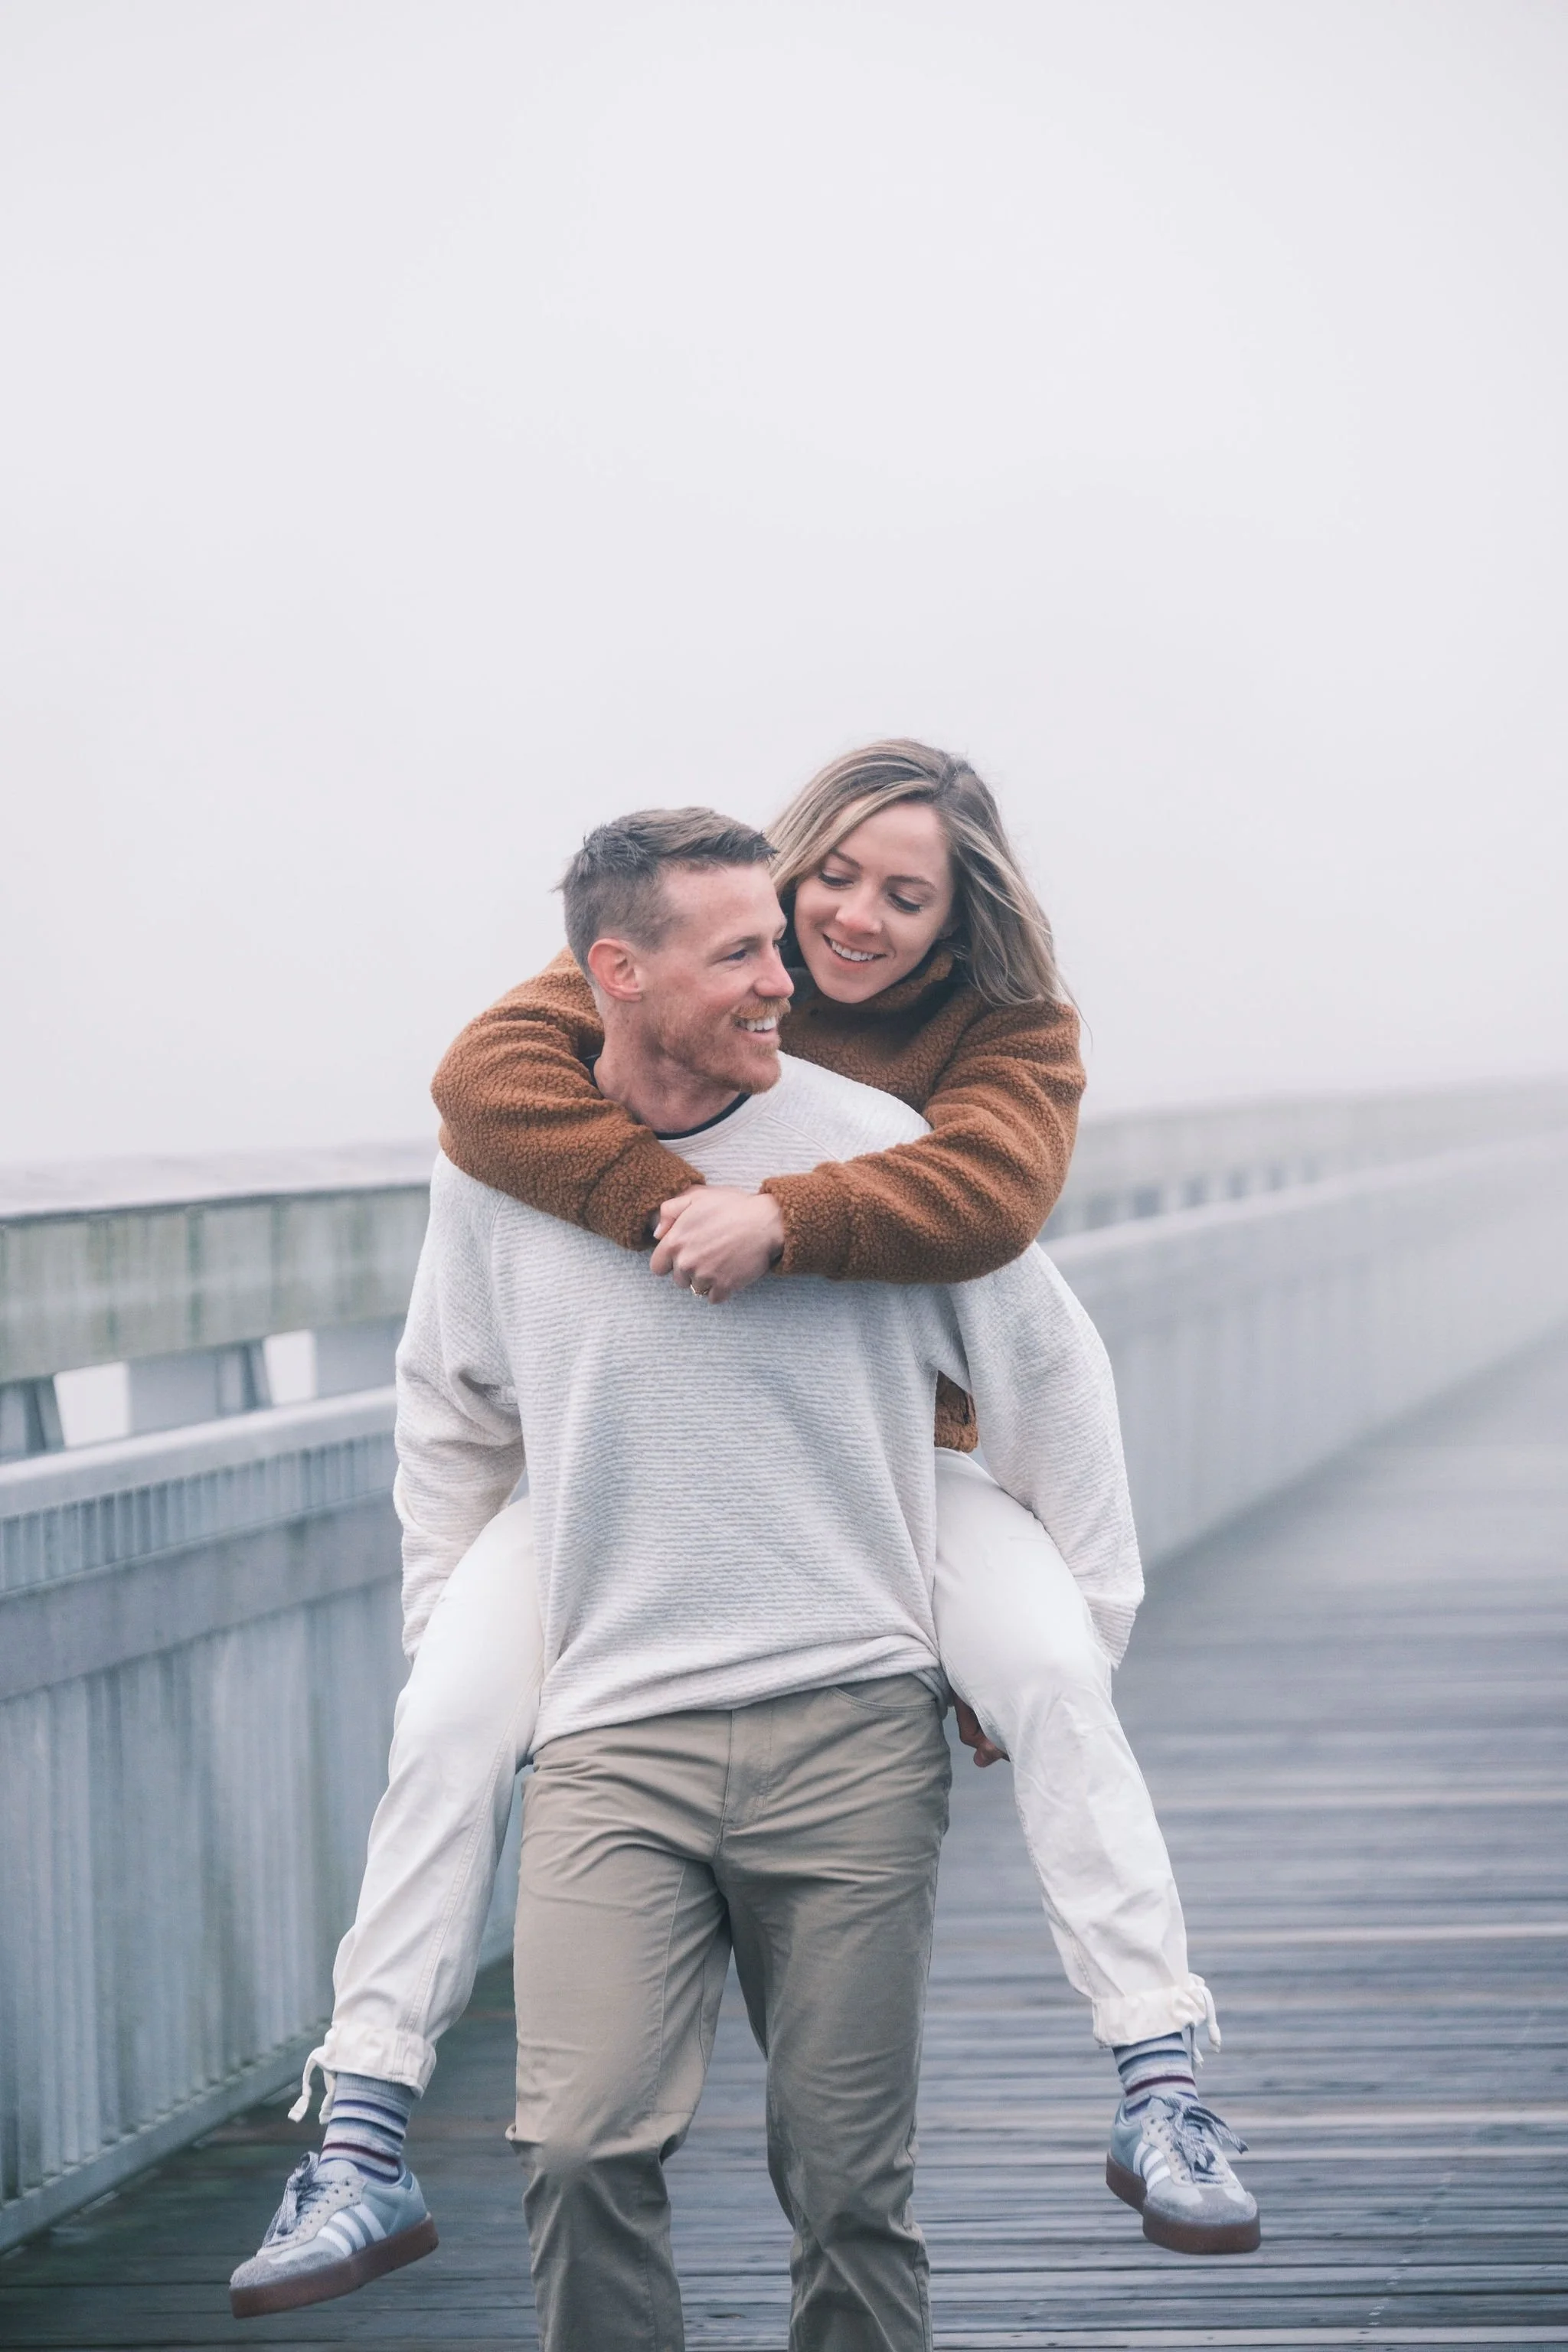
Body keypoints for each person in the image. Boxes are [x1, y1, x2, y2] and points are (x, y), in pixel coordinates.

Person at [230, 750, 1258, 2324]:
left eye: (898, 899)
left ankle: (1161, 2071)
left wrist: (780, 1213)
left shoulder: (973, 1062)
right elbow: (470, 1190)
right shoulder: (558, 1073)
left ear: (954, 917)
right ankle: (359, 2130)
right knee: (442, 1716)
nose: (832, 934)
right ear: (632, 970)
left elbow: (1007, 1254)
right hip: (611, 1559)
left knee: (1055, 1677)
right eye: (816, 890)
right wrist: (662, 1196)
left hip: (900, 1495)